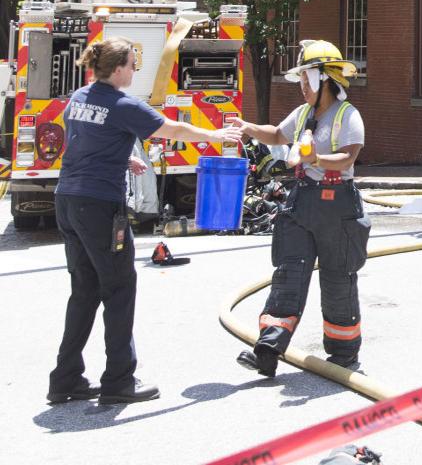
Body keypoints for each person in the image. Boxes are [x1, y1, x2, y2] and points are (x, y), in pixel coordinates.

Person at [47, 36, 243, 405]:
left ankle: (65, 379)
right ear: (119, 68)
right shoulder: (122, 104)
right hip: (99, 206)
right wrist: (215, 134)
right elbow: (174, 129)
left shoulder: (79, 97)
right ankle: (119, 380)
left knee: (84, 290)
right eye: (133, 66)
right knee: (119, 289)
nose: (135, 72)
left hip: (68, 201)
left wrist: (123, 159)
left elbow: (86, 142)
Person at [235, 39, 369, 377]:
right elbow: (278, 136)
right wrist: (249, 128)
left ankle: (342, 356)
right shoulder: (303, 114)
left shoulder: (347, 115)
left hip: (338, 205)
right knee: (288, 273)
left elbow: (349, 157)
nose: (302, 87)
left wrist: (317, 158)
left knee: (338, 278)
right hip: (302, 200)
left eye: (306, 79)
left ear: (325, 78)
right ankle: (268, 348)